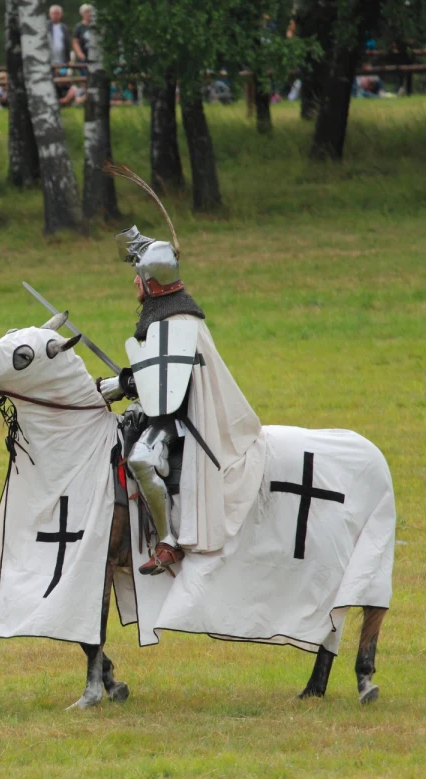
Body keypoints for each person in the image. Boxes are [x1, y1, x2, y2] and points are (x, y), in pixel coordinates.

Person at [98, 172, 264, 576]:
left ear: (151, 284)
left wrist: (118, 385)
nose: (134, 283)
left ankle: (168, 542)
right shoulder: (166, 315)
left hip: (181, 418)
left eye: (138, 277)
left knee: (140, 459)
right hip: (162, 407)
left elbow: (168, 382)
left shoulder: (175, 320)